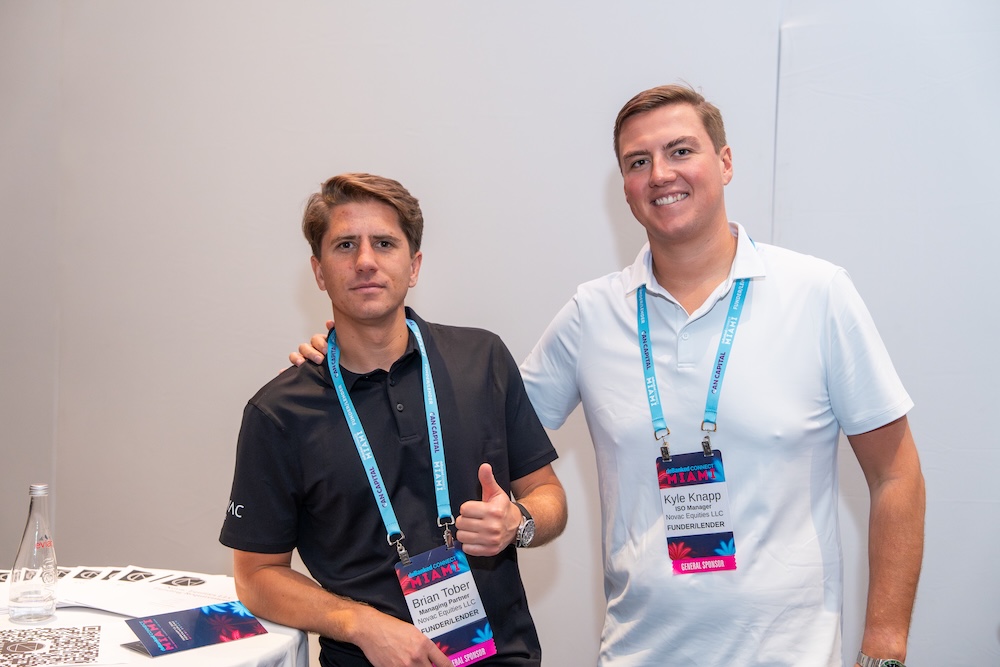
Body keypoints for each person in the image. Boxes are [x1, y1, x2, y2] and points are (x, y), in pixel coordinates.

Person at [292, 86, 925, 667]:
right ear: (624, 187)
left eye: (681, 150)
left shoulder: (816, 295)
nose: (661, 174)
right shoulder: (591, 315)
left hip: (792, 654)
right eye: (638, 161)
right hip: (637, 651)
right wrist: (353, 351)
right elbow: (476, 415)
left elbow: (896, 475)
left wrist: (884, 648)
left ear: (726, 162)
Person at [222, 172, 567, 667]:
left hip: (503, 657)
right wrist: (361, 624)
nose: (366, 261)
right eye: (345, 245)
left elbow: (548, 493)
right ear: (319, 272)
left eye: (384, 243)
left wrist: (519, 522)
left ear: (414, 265)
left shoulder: (482, 359)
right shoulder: (278, 413)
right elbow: (255, 576)